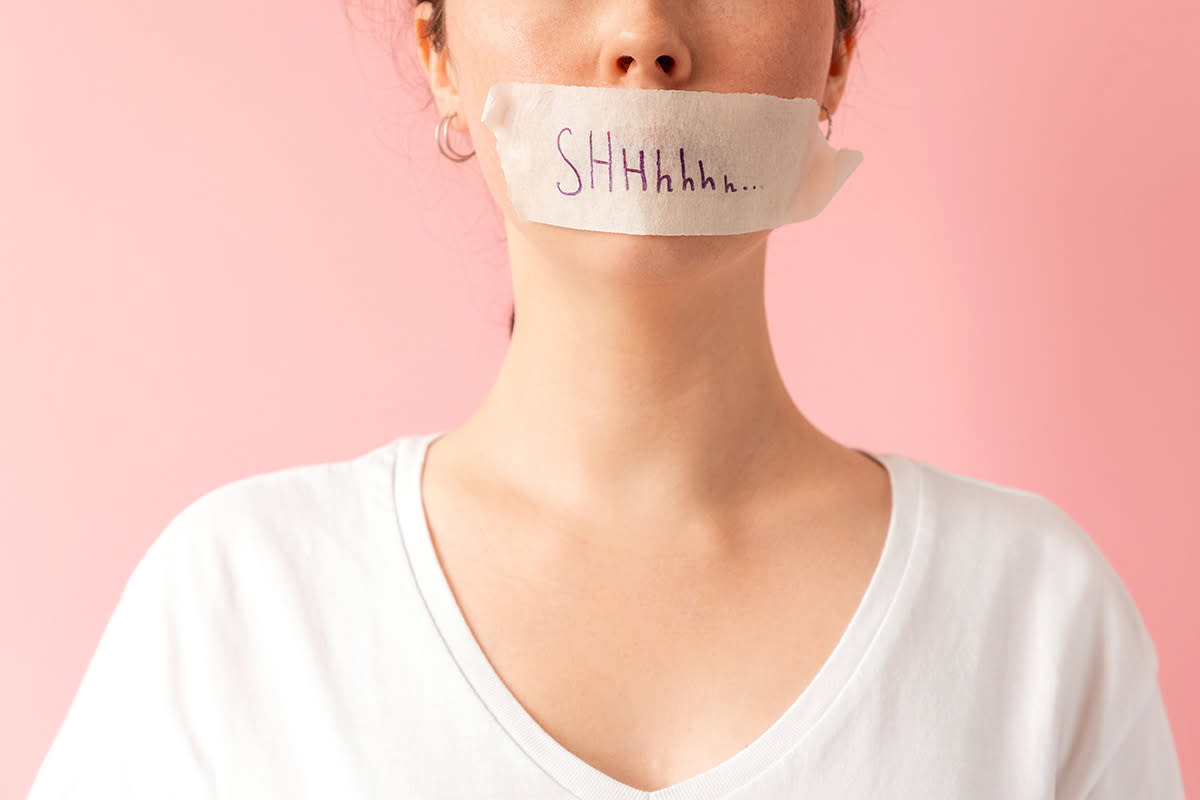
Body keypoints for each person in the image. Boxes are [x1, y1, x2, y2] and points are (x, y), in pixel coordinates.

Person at [26, 0, 1186, 797]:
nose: (643, 35)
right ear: (437, 47)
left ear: (836, 46)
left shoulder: (1040, 617)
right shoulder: (235, 612)